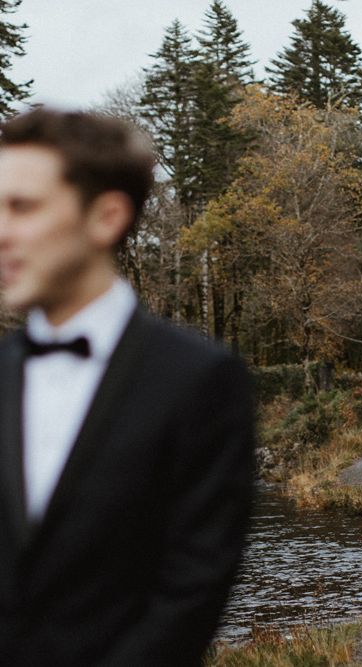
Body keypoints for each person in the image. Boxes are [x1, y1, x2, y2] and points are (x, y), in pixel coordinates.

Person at [0, 108, 255, 666]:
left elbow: (194, 586)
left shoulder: (202, 380)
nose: (1, 231)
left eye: (22, 207)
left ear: (106, 217)